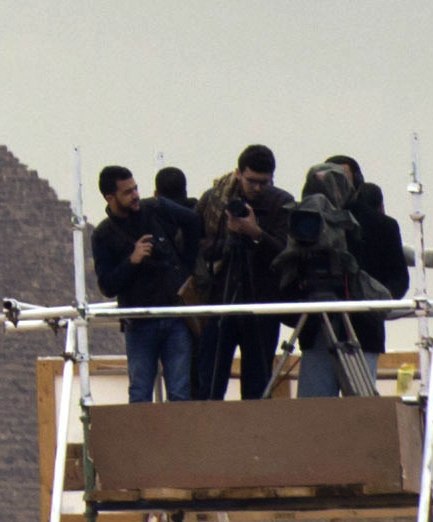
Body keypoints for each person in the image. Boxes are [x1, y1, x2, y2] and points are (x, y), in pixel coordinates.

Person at [290, 156, 411, 399]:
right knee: (314, 408)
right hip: (317, 327)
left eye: (341, 178)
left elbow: (399, 277)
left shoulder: (381, 226)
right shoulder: (306, 223)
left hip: (363, 329)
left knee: (361, 408)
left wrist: (379, 298)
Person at [186, 146, 298, 402]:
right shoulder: (215, 199)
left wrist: (255, 233)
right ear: (238, 173)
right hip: (221, 299)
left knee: (257, 386)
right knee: (210, 380)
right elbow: (194, 245)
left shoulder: (281, 203)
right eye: (251, 181)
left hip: (262, 303)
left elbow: (286, 252)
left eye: (263, 182)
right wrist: (225, 242)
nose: (257, 188)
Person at [95, 164, 193, 402]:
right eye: (127, 192)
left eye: (136, 188)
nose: (136, 195)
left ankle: (180, 441)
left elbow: (193, 220)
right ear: (110, 197)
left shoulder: (156, 209)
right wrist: (132, 260)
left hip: (174, 316)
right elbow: (107, 286)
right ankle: (142, 441)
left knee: (180, 392)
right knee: (139, 392)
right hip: (139, 324)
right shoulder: (103, 234)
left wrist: (187, 270)